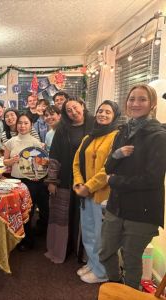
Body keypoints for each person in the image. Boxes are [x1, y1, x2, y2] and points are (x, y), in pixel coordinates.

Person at [100, 84, 166, 289]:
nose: (135, 103)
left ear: (152, 103)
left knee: (131, 260)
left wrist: (114, 181)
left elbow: (152, 179)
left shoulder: (159, 136)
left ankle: (128, 293)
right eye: (131, 99)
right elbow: (109, 166)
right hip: (116, 205)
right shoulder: (123, 131)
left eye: (142, 99)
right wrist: (116, 155)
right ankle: (116, 285)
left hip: (142, 210)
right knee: (105, 252)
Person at [72, 100, 120, 284]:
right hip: (85, 194)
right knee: (89, 232)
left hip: (103, 195)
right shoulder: (88, 137)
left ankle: (102, 272)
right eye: (101, 110)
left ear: (115, 115)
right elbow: (76, 163)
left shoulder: (116, 137)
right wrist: (78, 184)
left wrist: (88, 187)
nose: (103, 114)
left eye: (108, 112)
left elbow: (109, 167)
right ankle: (93, 264)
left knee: (101, 237)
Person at [45, 97, 94, 264]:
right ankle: (61, 249)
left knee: (84, 216)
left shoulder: (95, 126)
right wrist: (52, 180)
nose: (73, 112)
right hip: (65, 178)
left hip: (89, 179)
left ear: (83, 105)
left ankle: (83, 253)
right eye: (68, 111)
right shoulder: (62, 129)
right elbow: (54, 155)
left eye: (75, 107)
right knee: (63, 215)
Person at [3, 113, 42, 250]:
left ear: (31, 125)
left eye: (26, 123)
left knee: (27, 212)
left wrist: (39, 174)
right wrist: (11, 161)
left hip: (31, 181)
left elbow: (41, 163)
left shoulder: (36, 143)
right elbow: (5, 161)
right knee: (15, 211)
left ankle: (28, 241)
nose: (22, 126)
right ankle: (15, 239)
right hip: (15, 181)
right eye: (20, 123)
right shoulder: (11, 141)